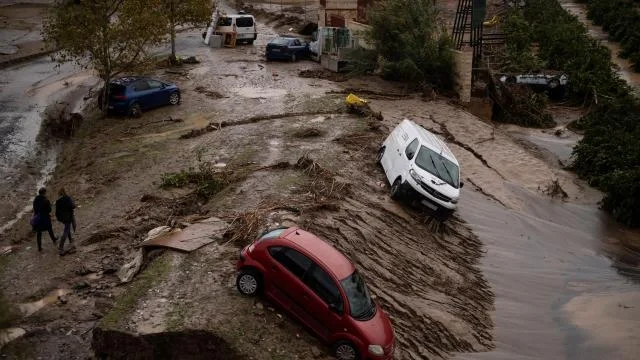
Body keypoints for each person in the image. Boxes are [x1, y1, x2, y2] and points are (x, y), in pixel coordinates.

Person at [32, 187, 57, 252]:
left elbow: (35, 209)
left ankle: (39, 247)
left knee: (39, 233)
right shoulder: (46, 200)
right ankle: (54, 240)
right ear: (44, 193)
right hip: (45, 218)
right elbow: (49, 210)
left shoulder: (35, 200)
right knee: (50, 229)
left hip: (38, 218)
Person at [55, 188, 75, 256]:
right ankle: (61, 247)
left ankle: (70, 239)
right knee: (66, 231)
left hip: (62, 218)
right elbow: (72, 206)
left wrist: (59, 218)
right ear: (64, 192)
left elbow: (56, 213)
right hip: (68, 217)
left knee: (67, 227)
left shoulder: (57, 201)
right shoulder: (67, 198)